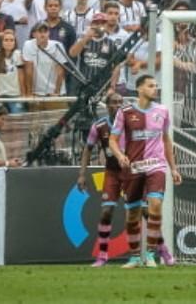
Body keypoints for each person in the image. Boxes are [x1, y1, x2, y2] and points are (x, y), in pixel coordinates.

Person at [108, 74, 181, 269]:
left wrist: (173, 168)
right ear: (139, 89)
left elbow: (166, 140)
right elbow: (112, 140)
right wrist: (119, 155)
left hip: (156, 165)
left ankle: (150, 254)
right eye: (150, 86)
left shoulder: (163, 111)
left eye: (156, 85)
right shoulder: (125, 112)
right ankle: (133, 257)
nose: (154, 89)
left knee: (155, 205)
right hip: (133, 167)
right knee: (133, 214)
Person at [78, 91, 124, 267]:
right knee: (106, 212)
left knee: (142, 212)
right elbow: (87, 149)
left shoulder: (131, 124)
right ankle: (103, 255)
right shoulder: (99, 126)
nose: (118, 105)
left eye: (121, 101)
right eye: (114, 102)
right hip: (112, 172)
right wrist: (82, 174)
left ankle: (152, 253)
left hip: (131, 172)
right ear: (107, 105)